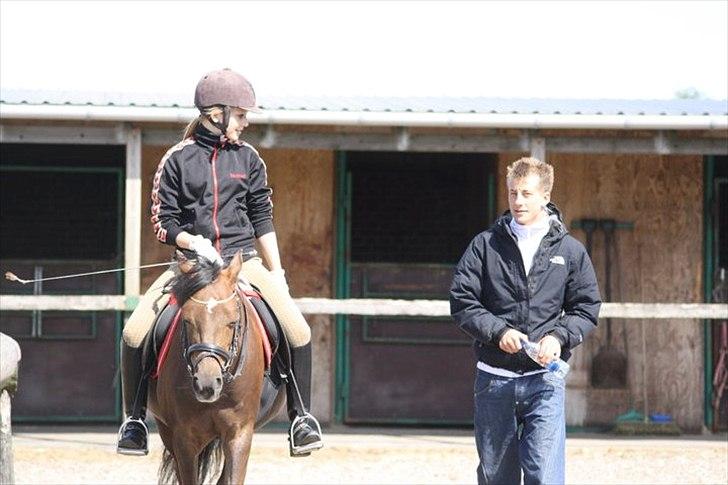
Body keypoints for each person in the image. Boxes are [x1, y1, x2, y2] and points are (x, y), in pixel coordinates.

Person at [116, 68, 323, 457]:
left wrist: (275, 270)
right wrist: (191, 240)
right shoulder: (176, 159)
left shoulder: (248, 158)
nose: (245, 123)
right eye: (241, 115)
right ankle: (134, 421)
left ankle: (301, 417)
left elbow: (262, 215)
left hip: (241, 263)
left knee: (298, 331)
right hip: (191, 267)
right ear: (216, 113)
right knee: (134, 332)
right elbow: (163, 220)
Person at [450, 157, 601, 484]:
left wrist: (559, 337)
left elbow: (586, 307)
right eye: (513, 193)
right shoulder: (484, 246)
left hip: (544, 381)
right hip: (494, 381)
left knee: (544, 476)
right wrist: (497, 331)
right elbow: (462, 301)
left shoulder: (570, 251)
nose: (518, 201)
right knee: (497, 478)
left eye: (527, 194)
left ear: (545, 196)